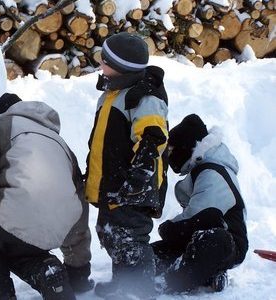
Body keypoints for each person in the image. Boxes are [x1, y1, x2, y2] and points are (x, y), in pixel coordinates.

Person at [0, 93, 93, 300]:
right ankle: (46, 270)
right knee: (20, 243)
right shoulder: (61, 144)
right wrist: (78, 268)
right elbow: (78, 200)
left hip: (14, 218)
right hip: (58, 225)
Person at [84, 32, 169, 299]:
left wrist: (139, 176)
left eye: (105, 61)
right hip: (113, 183)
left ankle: (140, 290)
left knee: (130, 238)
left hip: (133, 186)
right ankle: (123, 283)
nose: (100, 64)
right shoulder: (113, 93)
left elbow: (153, 137)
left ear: (121, 67)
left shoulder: (144, 98)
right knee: (112, 235)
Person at [152, 114, 248, 293]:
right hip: (197, 237)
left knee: (210, 241)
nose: (170, 156)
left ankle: (172, 282)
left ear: (186, 147)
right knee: (153, 254)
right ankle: (208, 275)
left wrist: (167, 228)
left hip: (228, 243)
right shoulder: (202, 169)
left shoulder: (212, 171)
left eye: (172, 151)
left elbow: (201, 216)